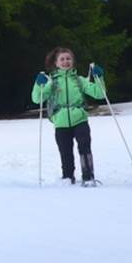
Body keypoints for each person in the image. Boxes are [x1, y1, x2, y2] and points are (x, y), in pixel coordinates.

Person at [31, 48, 107, 185]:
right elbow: (37, 99)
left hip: (80, 119)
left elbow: (100, 93)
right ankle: (67, 177)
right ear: (56, 63)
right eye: (62, 59)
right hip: (60, 122)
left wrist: (99, 78)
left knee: (84, 147)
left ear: (72, 61)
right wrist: (38, 84)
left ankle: (88, 176)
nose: (65, 61)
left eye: (68, 58)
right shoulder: (52, 82)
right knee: (65, 151)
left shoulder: (79, 80)